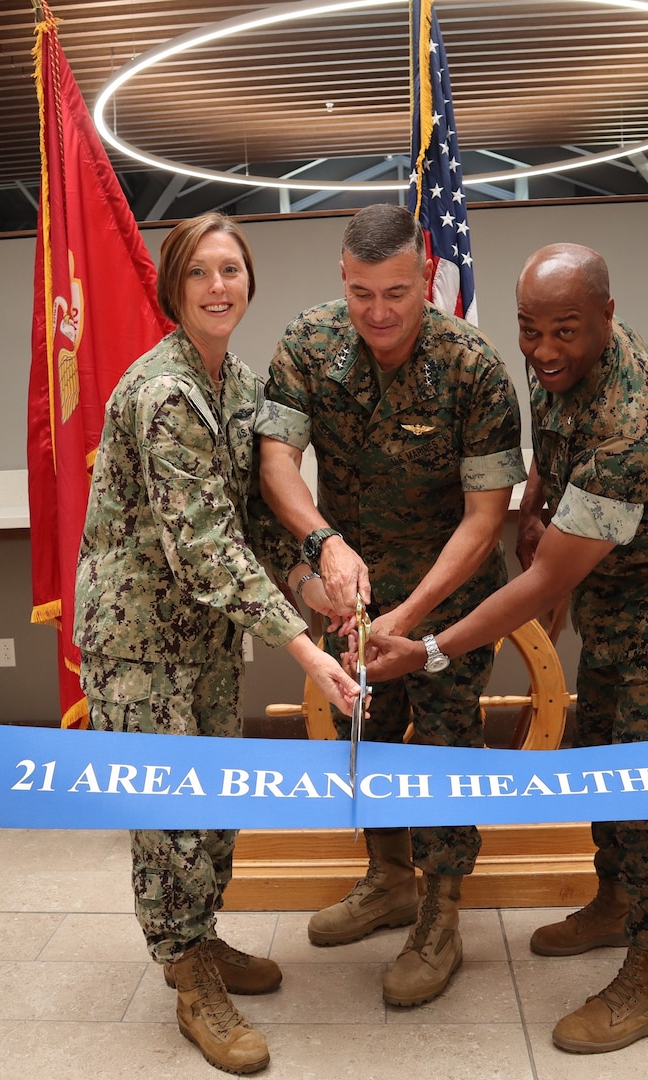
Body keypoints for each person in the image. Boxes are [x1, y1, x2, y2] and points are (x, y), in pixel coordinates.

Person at [363, 242, 648, 1053]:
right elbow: (551, 462)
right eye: (528, 330)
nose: (542, 350)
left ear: (607, 317)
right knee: (602, 745)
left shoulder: (632, 421)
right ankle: (614, 903)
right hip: (618, 576)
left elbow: (539, 588)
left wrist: (428, 649)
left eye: (564, 330)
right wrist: (535, 507)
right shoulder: (564, 369)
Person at [75, 213, 360, 1075]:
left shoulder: (237, 384)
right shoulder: (163, 393)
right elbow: (202, 545)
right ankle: (188, 974)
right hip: (136, 643)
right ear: (174, 286)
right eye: (199, 272)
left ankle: (201, 938)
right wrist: (306, 653)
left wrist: (321, 589)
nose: (217, 286)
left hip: (201, 636)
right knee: (168, 817)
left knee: (216, 801)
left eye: (231, 270)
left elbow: (257, 527)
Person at [256, 203, 525, 1007]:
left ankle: (442, 912)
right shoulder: (307, 342)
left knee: (443, 751)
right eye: (363, 293)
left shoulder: (471, 364)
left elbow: (485, 520)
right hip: (349, 592)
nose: (378, 312)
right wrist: (324, 546)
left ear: (427, 272)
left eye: (397, 294)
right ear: (343, 274)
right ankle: (387, 879)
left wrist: (405, 621)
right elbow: (276, 466)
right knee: (360, 733)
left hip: (446, 598)